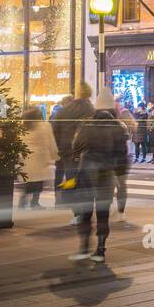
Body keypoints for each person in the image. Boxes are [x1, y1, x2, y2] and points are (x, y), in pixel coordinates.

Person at [66, 88, 127, 263]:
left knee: (86, 212)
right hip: (106, 175)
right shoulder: (118, 127)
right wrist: (120, 176)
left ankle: (84, 247)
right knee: (103, 213)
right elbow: (122, 154)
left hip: (87, 173)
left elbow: (76, 147)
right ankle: (100, 250)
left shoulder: (86, 125)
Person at [52, 84, 95, 216]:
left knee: (72, 180)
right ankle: (86, 212)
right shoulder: (92, 110)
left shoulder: (64, 110)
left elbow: (55, 129)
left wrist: (60, 148)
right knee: (87, 182)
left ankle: (76, 212)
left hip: (68, 152)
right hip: (86, 151)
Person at [19, 106, 57, 210]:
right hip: (41, 157)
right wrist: (54, 154)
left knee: (30, 181)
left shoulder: (23, 126)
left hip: (27, 157)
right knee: (40, 181)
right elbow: (51, 141)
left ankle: (23, 200)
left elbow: (20, 141)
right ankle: (34, 202)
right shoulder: (45, 125)